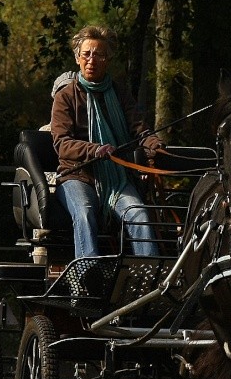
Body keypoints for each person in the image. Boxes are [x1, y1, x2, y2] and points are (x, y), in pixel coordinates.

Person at [50, 25, 162, 259]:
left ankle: (148, 278)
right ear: (77, 57)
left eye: (99, 54)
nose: (92, 60)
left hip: (116, 178)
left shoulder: (120, 94)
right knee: (84, 211)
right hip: (76, 176)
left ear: (108, 60)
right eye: (86, 54)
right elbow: (62, 144)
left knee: (139, 213)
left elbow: (140, 130)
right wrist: (94, 150)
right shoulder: (66, 96)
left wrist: (155, 146)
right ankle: (88, 275)